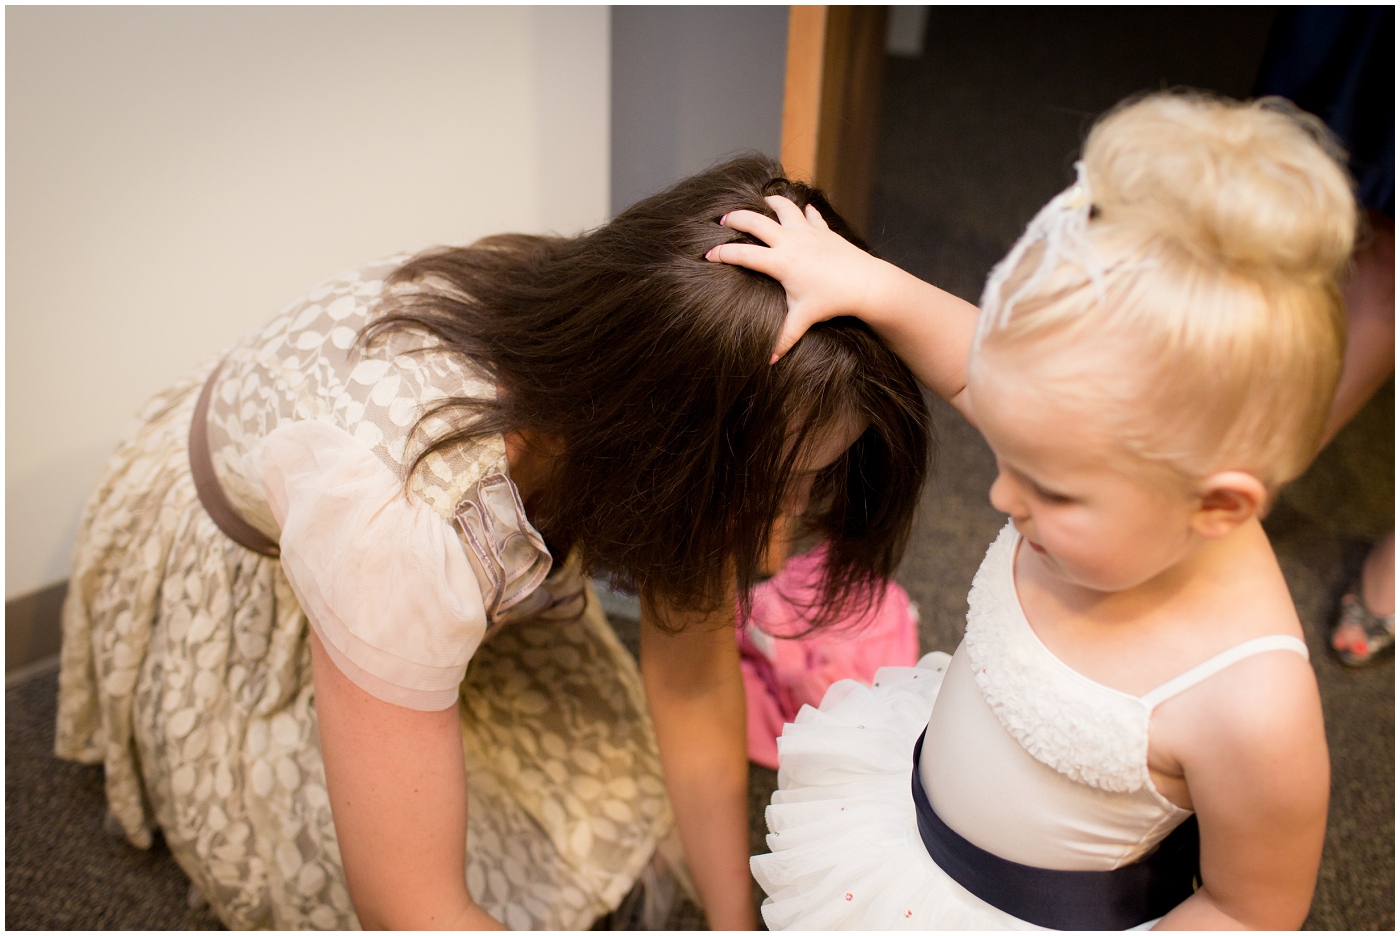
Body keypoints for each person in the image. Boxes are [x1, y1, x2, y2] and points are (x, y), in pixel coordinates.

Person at [53, 155, 932, 929]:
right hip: (251, 562)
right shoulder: (401, 521)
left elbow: (694, 679)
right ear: (663, 455)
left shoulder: (642, 340)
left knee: (601, 793)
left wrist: (736, 929)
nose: (782, 540)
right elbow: (412, 908)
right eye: (772, 490)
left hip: (415, 516)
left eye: (816, 480)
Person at [710, 92, 1351, 928]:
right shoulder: (1100, 458)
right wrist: (864, 282)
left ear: (1218, 505)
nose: (1001, 498)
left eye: (1049, 490)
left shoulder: (1253, 705)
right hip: (901, 836)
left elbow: (1250, 911)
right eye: (1008, 456)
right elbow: (979, 370)